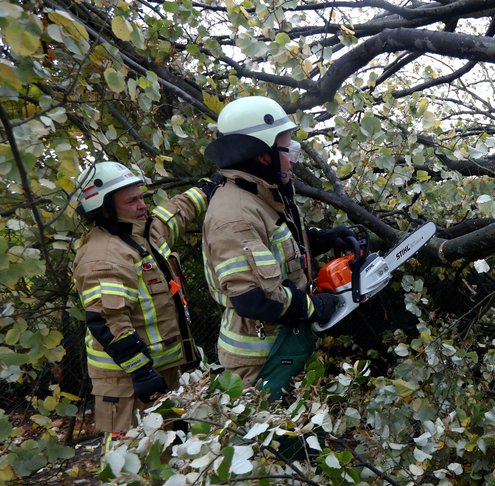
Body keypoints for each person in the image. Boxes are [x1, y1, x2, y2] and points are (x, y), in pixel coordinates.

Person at [201, 96, 349, 401]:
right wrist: (312, 307)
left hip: (280, 343)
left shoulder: (259, 196)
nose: (293, 158)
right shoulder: (234, 215)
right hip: (257, 361)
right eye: (288, 149)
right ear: (263, 155)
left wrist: (323, 239)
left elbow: (273, 250)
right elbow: (253, 300)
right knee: (273, 445)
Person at [71, 161, 217, 449]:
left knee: (171, 453)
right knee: (130, 465)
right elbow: (107, 322)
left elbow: (175, 212)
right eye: (132, 201)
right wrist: (141, 371)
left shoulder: (143, 232)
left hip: (164, 371)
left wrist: (208, 188)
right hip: (125, 382)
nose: (142, 205)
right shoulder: (103, 257)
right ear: (105, 208)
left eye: (142, 197)